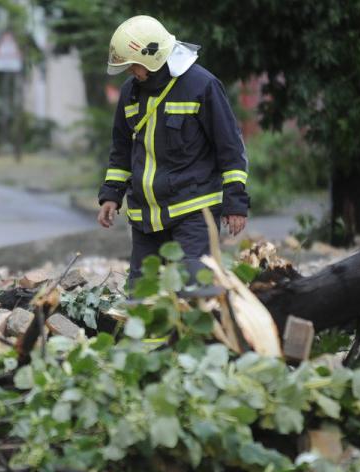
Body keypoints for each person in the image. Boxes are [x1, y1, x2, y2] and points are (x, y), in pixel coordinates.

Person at [96, 15, 250, 288]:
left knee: (193, 293)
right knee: (141, 299)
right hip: (146, 218)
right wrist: (111, 194)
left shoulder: (202, 86)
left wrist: (235, 203)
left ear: (151, 56)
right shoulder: (129, 93)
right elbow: (121, 149)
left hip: (194, 214)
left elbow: (231, 150)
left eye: (133, 65)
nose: (131, 71)